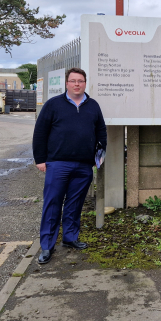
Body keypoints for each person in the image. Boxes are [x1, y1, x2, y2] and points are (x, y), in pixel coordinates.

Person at [32, 67, 107, 264]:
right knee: (52, 204)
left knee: (75, 205)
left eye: (80, 81)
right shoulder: (53, 105)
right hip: (58, 164)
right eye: (73, 81)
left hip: (83, 166)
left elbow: (101, 132)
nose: (76, 84)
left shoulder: (93, 106)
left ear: (85, 83)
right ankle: (47, 245)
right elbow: (40, 133)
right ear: (67, 83)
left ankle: (70, 238)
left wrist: (97, 159)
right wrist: (40, 160)